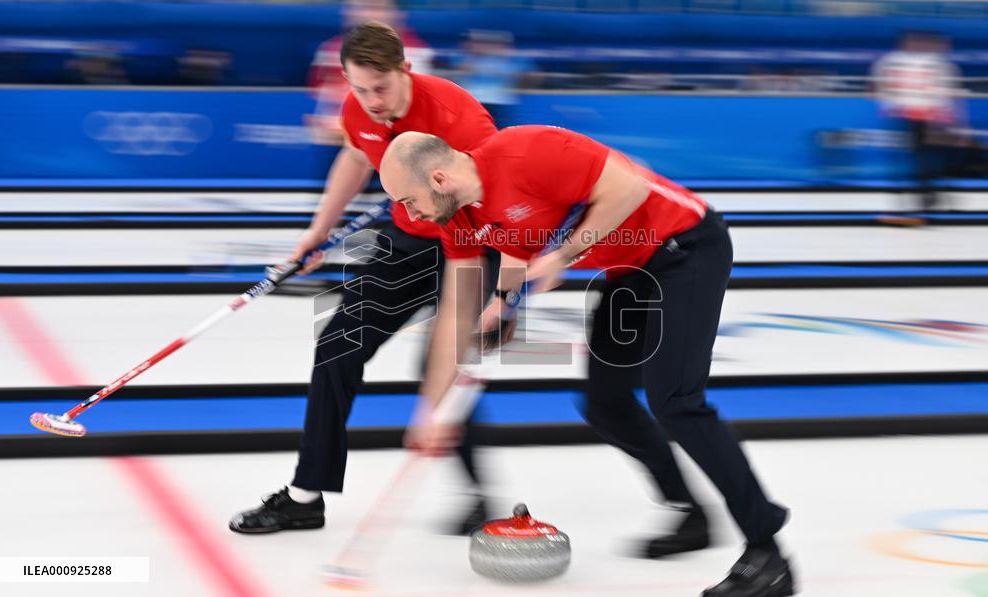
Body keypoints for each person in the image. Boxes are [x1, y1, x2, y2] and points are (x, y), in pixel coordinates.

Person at [379, 127, 795, 596]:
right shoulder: (459, 215)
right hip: (629, 271)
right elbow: (477, 285)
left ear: (438, 178)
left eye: (408, 200)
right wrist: (500, 308)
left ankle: (768, 553)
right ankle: (689, 512)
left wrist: (563, 254)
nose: (408, 214)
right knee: (606, 404)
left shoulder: (525, 151)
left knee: (676, 401)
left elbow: (629, 187)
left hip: (684, 247)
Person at [229, 21, 499, 537]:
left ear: (405, 70)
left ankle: (478, 496)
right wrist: (318, 233)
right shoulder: (358, 109)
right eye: (360, 89)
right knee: (337, 346)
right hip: (406, 243)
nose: (372, 101)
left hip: (470, 245)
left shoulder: (459, 116)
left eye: (382, 88)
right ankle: (305, 498)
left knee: (440, 364)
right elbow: (355, 157)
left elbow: (493, 196)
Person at [305, 0, 432, 145]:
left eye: (375, 7)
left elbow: (411, 121)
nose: (367, 14)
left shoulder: (414, 53)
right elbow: (324, 116)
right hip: (343, 144)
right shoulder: (331, 52)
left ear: (397, 14)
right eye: (361, 7)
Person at [872, 31, 965, 221]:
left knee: (929, 157)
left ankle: (929, 196)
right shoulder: (896, 61)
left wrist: (949, 115)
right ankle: (924, 197)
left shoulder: (934, 63)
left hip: (926, 116)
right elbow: (882, 86)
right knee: (921, 157)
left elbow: (946, 91)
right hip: (918, 116)